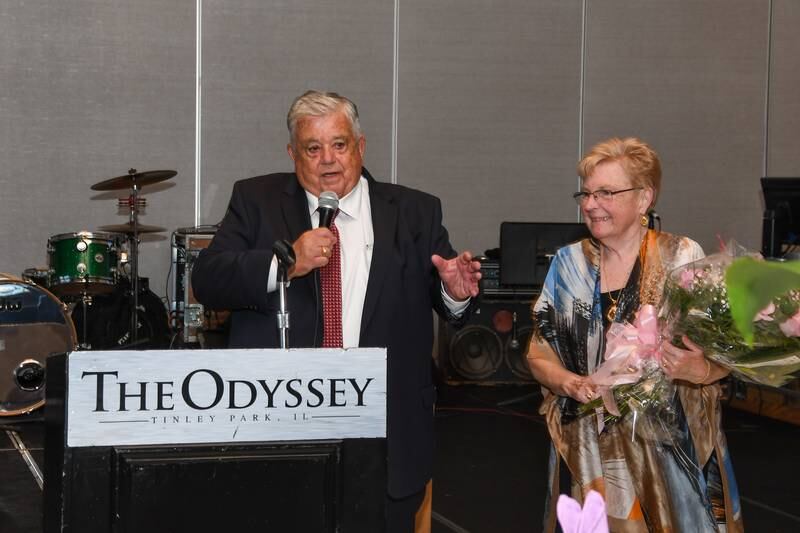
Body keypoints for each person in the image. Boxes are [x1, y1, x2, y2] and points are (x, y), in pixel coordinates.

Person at [191, 90, 481, 532]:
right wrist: (284, 263)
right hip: (282, 424)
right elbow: (208, 280)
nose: (328, 160)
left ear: (360, 147)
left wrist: (456, 292)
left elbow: (443, 296)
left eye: (339, 145)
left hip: (387, 429)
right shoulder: (256, 200)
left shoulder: (415, 211)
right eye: (313, 148)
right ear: (293, 154)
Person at [527, 137, 743, 532]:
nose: (591, 204)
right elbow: (538, 354)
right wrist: (570, 383)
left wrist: (700, 369)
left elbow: (725, 356)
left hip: (671, 455)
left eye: (606, 192)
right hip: (591, 455)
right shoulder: (567, 264)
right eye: (586, 193)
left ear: (644, 198)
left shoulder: (681, 258)